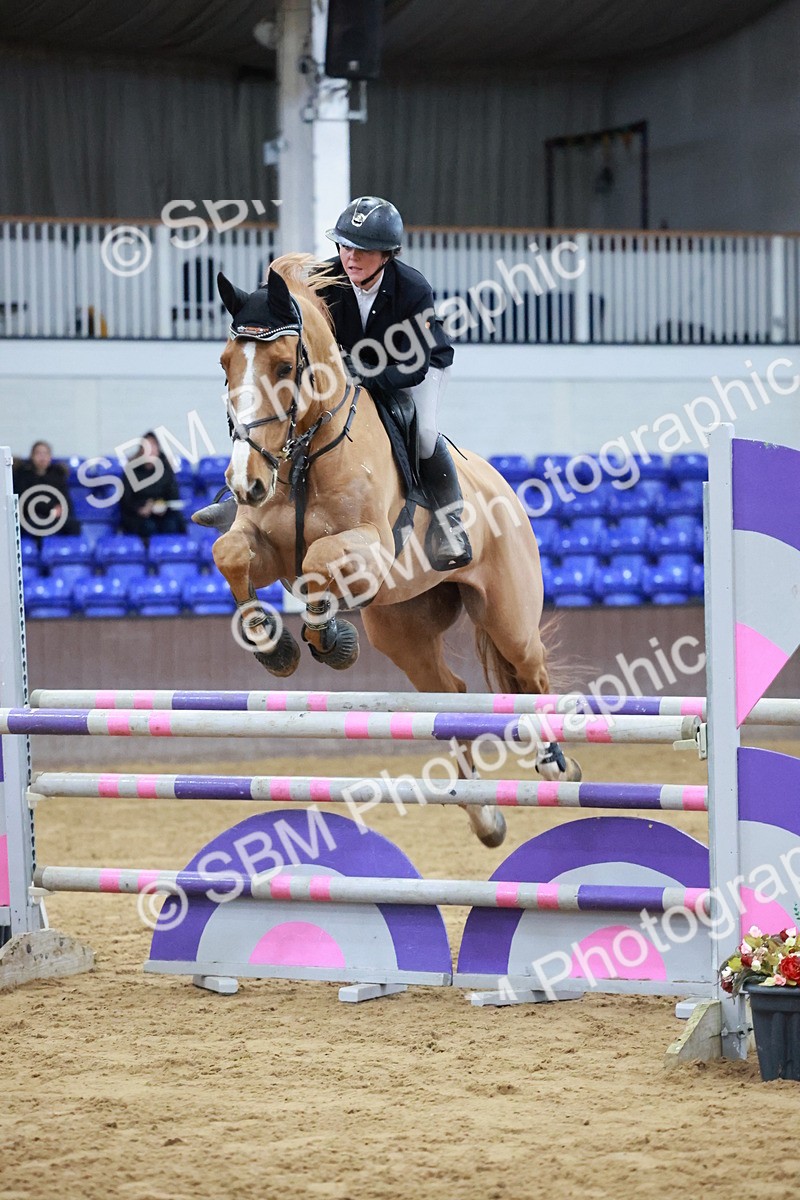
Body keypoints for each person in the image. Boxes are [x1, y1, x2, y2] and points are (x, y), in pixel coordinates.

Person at [195, 196, 472, 571]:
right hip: (350, 370)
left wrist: (363, 376)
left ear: (387, 254)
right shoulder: (326, 280)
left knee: (423, 431)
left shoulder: (412, 289)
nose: (350, 256)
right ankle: (236, 498)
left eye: (363, 250)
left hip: (415, 364)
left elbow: (414, 366)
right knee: (285, 413)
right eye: (344, 246)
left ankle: (449, 521)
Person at [120, 432, 186, 539]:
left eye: (153, 446)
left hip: (164, 514)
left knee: (171, 525)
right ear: (141, 451)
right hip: (139, 516)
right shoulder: (131, 471)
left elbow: (174, 497)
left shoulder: (166, 470)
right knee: (148, 527)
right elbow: (126, 501)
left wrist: (162, 506)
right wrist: (141, 508)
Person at [12, 440, 81, 536]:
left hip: (54, 519)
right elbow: (23, 501)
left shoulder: (57, 476)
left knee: (73, 525)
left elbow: (65, 501)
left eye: (45, 453)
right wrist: (50, 510)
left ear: (50, 457)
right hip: (31, 518)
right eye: (38, 453)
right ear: (32, 456)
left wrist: (60, 510)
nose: (42, 457)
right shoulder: (23, 475)